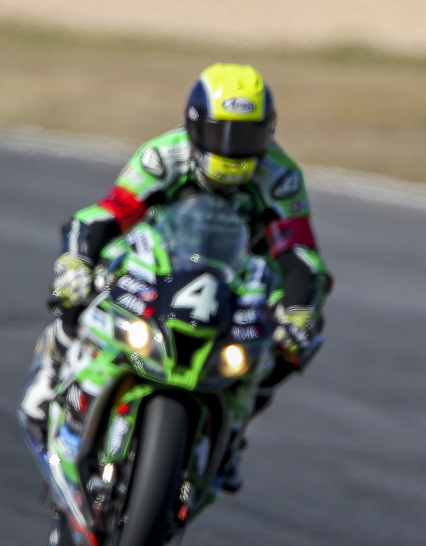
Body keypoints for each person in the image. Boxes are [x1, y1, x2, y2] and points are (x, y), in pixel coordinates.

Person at [19, 63, 332, 492]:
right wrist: (76, 261)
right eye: (221, 134)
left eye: (246, 137)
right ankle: (51, 376)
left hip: (237, 277)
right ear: (194, 126)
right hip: (158, 264)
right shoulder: (163, 156)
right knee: (78, 287)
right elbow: (107, 215)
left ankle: (235, 430)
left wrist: (297, 310)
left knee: (306, 327)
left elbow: (298, 252)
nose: (232, 150)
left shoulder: (280, 178)